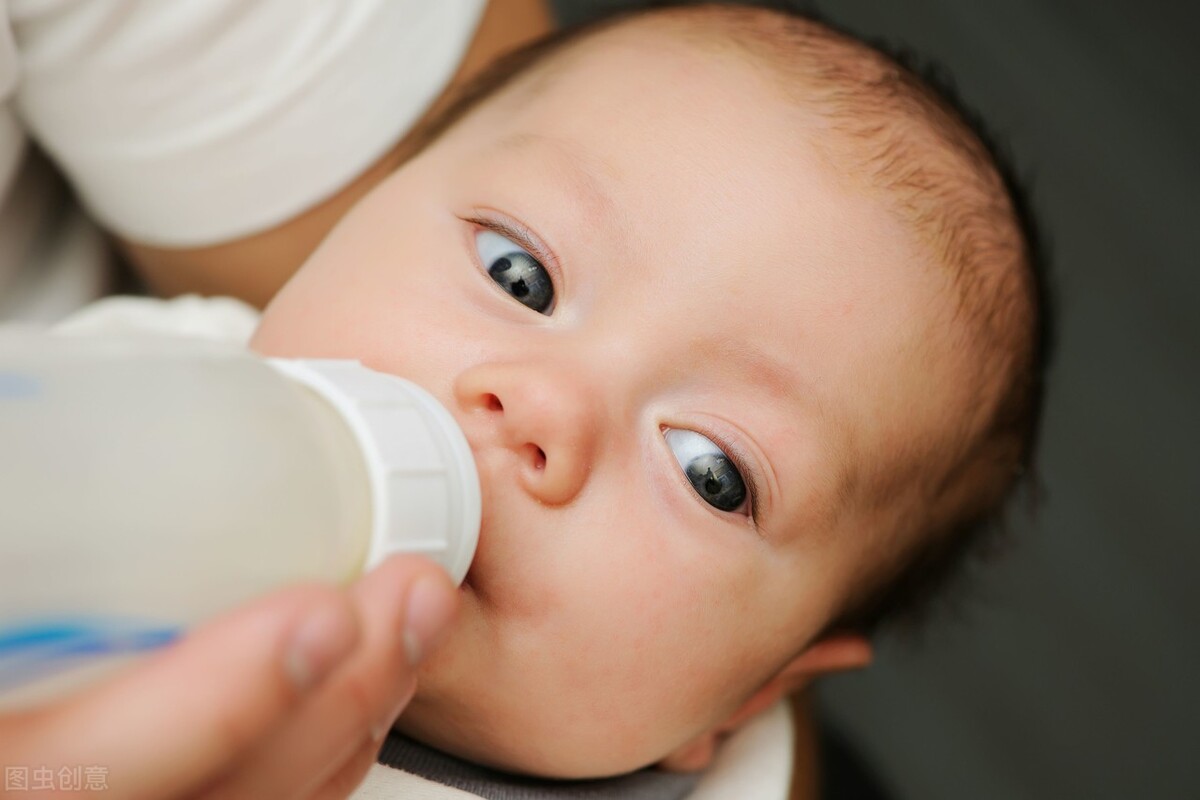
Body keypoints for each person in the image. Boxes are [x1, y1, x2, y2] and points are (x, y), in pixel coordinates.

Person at [4, 2, 1048, 798]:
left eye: (711, 469)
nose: (545, 405)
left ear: (750, 696)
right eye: (518, 276)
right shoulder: (153, 385)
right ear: (363, 203)